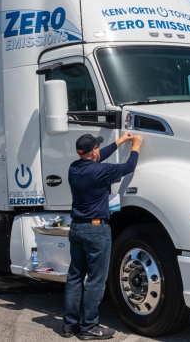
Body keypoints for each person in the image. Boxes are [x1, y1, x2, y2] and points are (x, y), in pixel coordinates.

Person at [62, 132, 142, 340]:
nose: (99, 149)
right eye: (97, 147)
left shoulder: (74, 168)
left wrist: (120, 141)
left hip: (77, 228)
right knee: (96, 280)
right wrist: (135, 146)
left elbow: (98, 157)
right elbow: (129, 167)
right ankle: (89, 327)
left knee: (75, 277)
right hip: (96, 231)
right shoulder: (100, 172)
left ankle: (69, 325)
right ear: (93, 151)